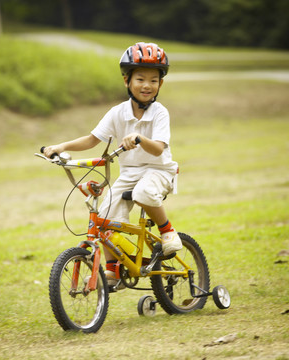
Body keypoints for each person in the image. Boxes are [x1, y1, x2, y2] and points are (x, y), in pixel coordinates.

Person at [43, 42, 182, 286]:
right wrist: (60, 147)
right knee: (106, 214)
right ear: (127, 81)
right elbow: (92, 139)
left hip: (158, 170)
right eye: (140, 79)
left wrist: (139, 139)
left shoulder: (160, 112)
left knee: (143, 192)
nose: (147, 85)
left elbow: (159, 148)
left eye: (153, 80)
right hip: (130, 172)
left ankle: (167, 231)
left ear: (161, 84)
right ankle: (112, 269)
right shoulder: (117, 112)